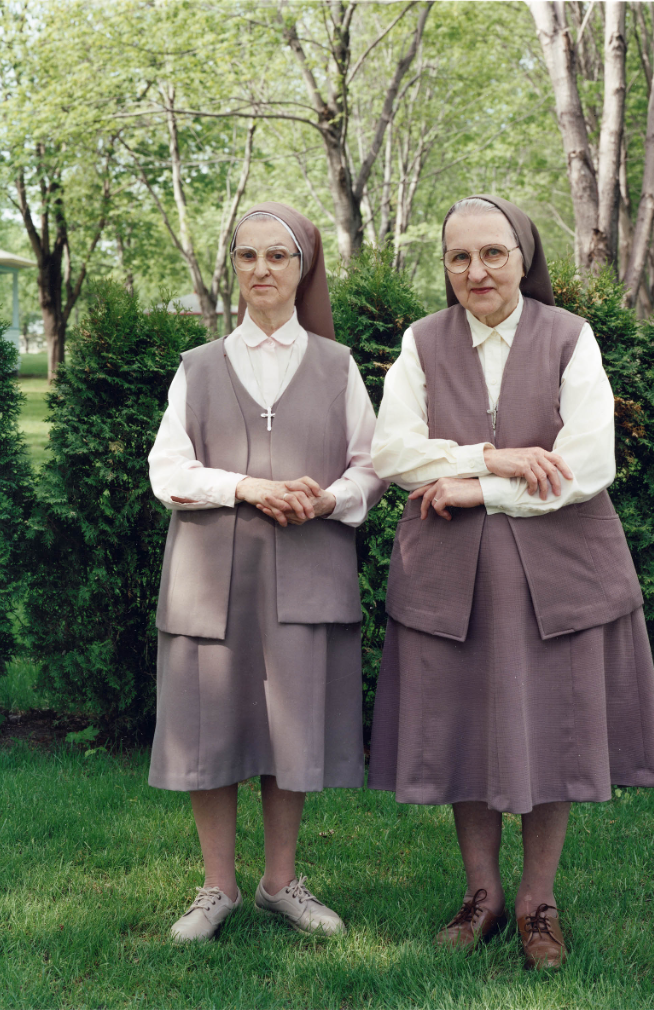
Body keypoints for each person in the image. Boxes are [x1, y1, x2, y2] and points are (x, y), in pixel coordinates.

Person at [368, 195, 654, 970]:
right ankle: (483, 894)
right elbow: (393, 453)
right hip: (450, 578)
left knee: (552, 733)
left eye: (493, 254)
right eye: (459, 257)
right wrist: (490, 457)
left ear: (524, 256)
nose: (476, 271)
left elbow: (590, 462)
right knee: (468, 733)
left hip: (559, 577)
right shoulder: (421, 341)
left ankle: (539, 900)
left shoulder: (571, 337)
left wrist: (478, 490)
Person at [147, 202, 385, 943]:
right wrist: (248, 488)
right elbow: (167, 471)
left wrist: (329, 498)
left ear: (302, 267)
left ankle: (280, 882)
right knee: (208, 724)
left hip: (307, 568)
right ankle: (216, 887)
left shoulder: (338, 366)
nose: (261, 271)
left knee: (292, 727)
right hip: (211, 577)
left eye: (277, 257)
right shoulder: (199, 367)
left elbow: (372, 464)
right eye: (247, 257)